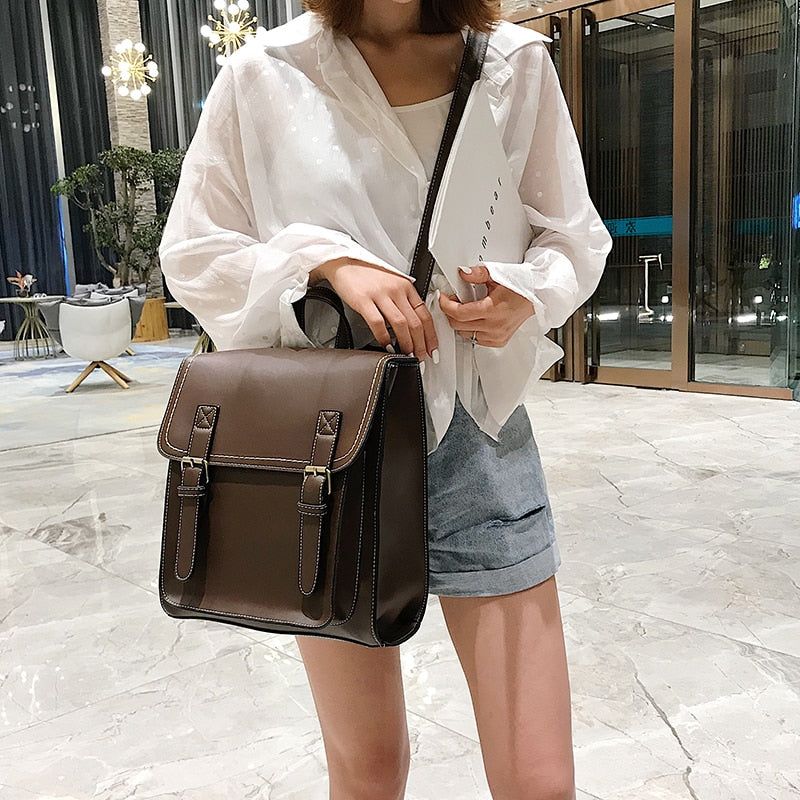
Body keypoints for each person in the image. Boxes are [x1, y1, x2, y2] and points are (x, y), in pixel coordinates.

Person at [159, 1, 613, 797]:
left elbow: (571, 235)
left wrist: (528, 292)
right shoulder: (266, 73)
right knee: (366, 768)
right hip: (330, 450)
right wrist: (325, 260)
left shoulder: (513, 62)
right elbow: (195, 253)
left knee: (539, 780)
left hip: (478, 433)